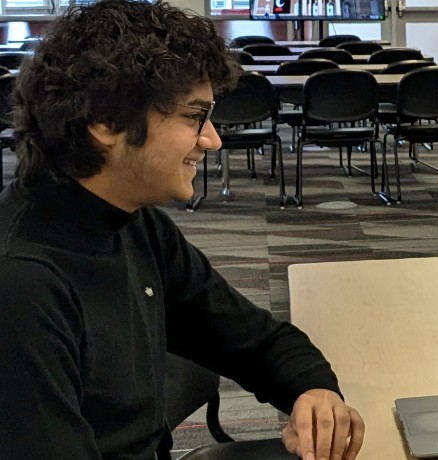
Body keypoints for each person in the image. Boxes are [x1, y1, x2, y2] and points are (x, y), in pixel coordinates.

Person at [0, 1, 366, 459]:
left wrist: (314, 391)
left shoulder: (133, 223)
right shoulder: (23, 283)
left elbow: (256, 339)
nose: (212, 138)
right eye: (194, 116)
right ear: (106, 124)